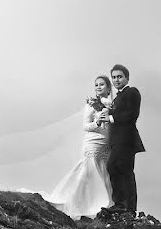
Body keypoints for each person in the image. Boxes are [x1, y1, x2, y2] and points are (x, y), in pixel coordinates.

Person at [45, 76, 114, 219]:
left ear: (108, 88)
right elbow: (85, 126)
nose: (99, 87)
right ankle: (76, 203)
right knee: (88, 170)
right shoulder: (90, 105)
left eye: (102, 84)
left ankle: (103, 203)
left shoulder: (113, 104)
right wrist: (97, 122)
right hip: (93, 141)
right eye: (96, 85)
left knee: (103, 171)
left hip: (106, 142)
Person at [100, 64, 145, 213]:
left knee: (124, 171)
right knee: (114, 168)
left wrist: (111, 117)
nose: (116, 80)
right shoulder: (118, 96)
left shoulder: (132, 92)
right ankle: (120, 204)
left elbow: (132, 115)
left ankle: (129, 208)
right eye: (113, 77)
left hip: (127, 139)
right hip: (117, 140)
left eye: (119, 76)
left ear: (127, 78)